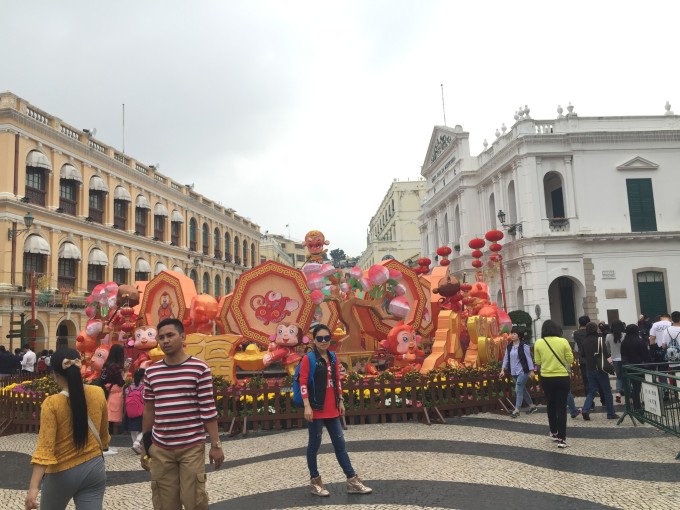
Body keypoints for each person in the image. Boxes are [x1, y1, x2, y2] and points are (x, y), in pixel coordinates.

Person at [140, 318, 224, 510]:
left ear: (183, 337)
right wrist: (145, 446)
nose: (165, 341)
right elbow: (149, 409)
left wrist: (216, 444)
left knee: (194, 500)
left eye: (170, 335)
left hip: (191, 446)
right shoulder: (152, 372)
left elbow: (208, 410)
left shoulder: (199, 369)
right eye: (161, 337)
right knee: (164, 503)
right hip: (160, 447)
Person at [25, 348, 109, 510]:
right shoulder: (98, 393)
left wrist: (33, 488)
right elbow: (103, 434)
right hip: (94, 468)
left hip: (61, 472)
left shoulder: (52, 403)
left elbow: (45, 449)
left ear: (54, 374)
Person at [302, 323, 372, 496]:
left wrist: (340, 400)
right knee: (314, 445)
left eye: (327, 338)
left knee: (340, 445)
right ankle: (315, 481)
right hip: (316, 409)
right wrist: (307, 406)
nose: (324, 341)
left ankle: (351, 480)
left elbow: (337, 380)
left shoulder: (333, 357)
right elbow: (302, 382)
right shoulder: (309, 359)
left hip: (332, 408)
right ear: (314, 340)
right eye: (320, 338)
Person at [533, 320, 573, 449]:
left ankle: (553, 432)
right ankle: (562, 439)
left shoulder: (539, 343)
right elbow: (570, 359)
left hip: (547, 378)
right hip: (562, 377)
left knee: (550, 405)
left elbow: (538, 361)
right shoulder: (563, 341)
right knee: (561, 407)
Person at [580, 322, 618, 420]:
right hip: (600, 368)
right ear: (595, 329)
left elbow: (582, 354)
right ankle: (611, 413)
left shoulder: (585, 341)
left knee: (592, 391)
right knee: (607, 391)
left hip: (589, 368)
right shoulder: (600, 340)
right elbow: (606, 354)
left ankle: (585, 409)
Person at [499, 329, 538, 417]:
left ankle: (516, 410)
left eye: (514, 334)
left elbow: (529, 359)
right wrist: (502, 369)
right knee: (522, 389)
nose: (512, 335)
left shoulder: (524, 346)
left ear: (519, 336)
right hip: (513, 371)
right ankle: (532, 406)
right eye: (511, 334)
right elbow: (506, 358)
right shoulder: (509, 346)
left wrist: (531, 371)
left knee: (518, 388)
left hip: (523, 371)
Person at [621, 324, 651, 411]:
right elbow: (646, 355)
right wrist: (650, 365)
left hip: (629, 366)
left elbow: (623, 355)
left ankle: (636, 405)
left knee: (635, 387)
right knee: (642, 386)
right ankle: (643, 406)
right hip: (640, 366)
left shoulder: (624, 342)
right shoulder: (640, 341)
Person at [101, 344, 127, 437]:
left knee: (106, 417)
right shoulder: (115, 367)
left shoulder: (106, 365)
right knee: (114, 419)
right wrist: (126, 372)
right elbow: (121, 382)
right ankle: (114, 441)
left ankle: (106, 438)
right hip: (115, 394)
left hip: (106, 392)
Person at [126, 368, 145, 454]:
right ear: (142, 377)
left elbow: (126, 398)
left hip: (130, 411)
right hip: (141, 411)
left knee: (133, 429)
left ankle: (135, 445)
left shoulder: (129, 387)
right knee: (143, 428)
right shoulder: (144, 388)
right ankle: (137, 443)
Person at [606, 320, 625, 403]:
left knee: (619, 377)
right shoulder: (624, 335)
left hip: (615, 359)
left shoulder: (608, 336)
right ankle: (628, 393)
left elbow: (607, 348)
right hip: (624, 359)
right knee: (626, 376)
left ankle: (618, 393)